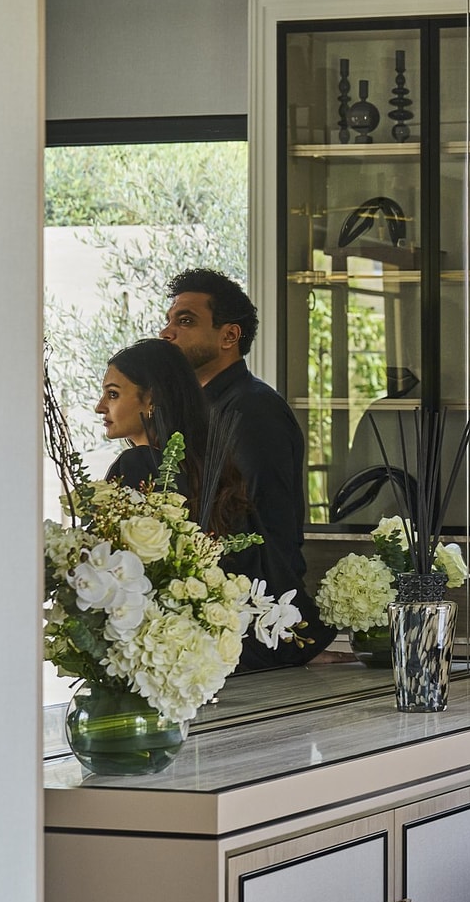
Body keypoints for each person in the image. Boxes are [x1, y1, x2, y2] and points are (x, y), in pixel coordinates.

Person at [159, 268, 330, 668]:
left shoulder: (253, 409)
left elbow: (258, 527)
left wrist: (266, 632)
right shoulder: (200, 410)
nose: (168, 333)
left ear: (229, 336)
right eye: (168, 321)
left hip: (255, 629)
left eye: (185, 321)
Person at [96, 337, 247, 535]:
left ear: (151, 399)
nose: (100, 407)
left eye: (113, 394)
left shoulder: (138, 463)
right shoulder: (206, 470)